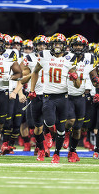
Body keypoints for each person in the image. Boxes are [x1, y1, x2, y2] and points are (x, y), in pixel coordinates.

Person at [30, 33, 84, 163]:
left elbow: (77, 86)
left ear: (64, 45)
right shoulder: (44, 55)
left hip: (63, 97)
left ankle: (57, 154)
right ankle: (47, 135)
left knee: (61, 130)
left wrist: (75, 79)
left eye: (60, 44)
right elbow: (35, 71)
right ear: (51, 45)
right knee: (49, 121)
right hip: (48, 96)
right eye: (55, 44)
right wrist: (32, 90)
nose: (57, 46)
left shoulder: (70, 58)